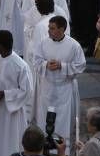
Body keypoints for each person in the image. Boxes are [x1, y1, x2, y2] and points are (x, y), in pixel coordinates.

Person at [33, 16, 86, 147]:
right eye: (49, 28)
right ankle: (44, 147)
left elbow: (81, 65)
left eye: (52, 28)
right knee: (45, 119)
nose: (49, 31)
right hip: (48, 88)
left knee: (63, 121)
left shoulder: (73, 45)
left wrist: (62, 66)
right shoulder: (43, 43)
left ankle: (63, 150)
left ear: (62, 29)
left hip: (64, 89)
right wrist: (46, 65)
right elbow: (36, 61)